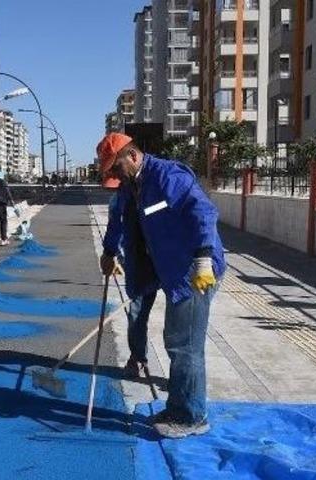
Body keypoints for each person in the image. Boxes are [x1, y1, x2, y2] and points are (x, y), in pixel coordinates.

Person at [96, 132, 225, 439]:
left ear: (132, 156)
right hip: (168, 268)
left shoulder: (168, 176)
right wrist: (109, 252)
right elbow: (118, 219)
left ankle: (192, 417)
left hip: (194, 271)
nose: (115, 175)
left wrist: (203, 258)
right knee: (176, 341)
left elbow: (203, 213)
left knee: (185, 344)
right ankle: (178, 407)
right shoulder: (130, 187)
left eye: (116, 168)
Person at [101, 183, 159, 380]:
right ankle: (137, 358)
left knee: (177, 329)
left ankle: (181, 377)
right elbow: (115, 229)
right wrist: (113, 255)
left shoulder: (158, 192)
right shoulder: (118, 201)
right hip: (140, 263)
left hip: (170, 261)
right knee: (137, 312)